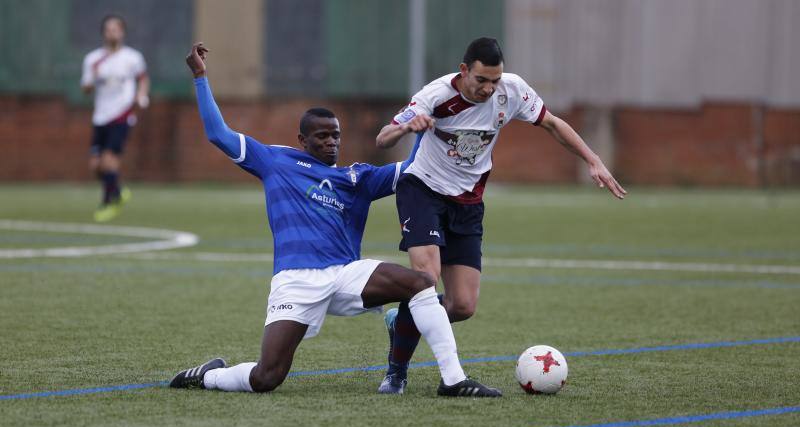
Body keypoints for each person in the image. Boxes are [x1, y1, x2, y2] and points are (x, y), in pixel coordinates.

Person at [168, 43, 502, 398]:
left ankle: (453, 379)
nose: (331, 143)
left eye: (336, 136)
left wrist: (425, 130)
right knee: (267, 377)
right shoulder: (276, 162)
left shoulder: (356, 178)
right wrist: (201, 78)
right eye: (322, 136)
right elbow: (218, 134)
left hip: (345, 274)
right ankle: (208, 376)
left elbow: (415, 171)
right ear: (302, 140)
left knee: (421, 282)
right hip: (296, 279)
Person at [374, 37, 627, 394]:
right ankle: (396, 372)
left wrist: (593, 159)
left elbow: (553, 123)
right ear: (464, 71)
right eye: (482, 80)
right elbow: (382, 138)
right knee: (425, 280)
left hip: (468, 202)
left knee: (462, 305)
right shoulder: (436, 95)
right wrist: (405, 126)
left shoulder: (513, 91)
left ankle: (403, 318)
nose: (489, 89)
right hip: (423, 191)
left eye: (495, 80)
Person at [80, 14, 149, 222]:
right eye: (108, 29)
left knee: (109, 161)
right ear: (103, 33)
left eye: (116, 29)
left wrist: (141, 95)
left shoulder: (133, 58)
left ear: (122, 32)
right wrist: (93, 77)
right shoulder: (93, 59)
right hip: (101, 116)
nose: (112, 33)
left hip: (122, 114)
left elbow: (143, 79)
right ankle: (117, 192)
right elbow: (85, 88)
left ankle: (107, 202)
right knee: (95, 166)